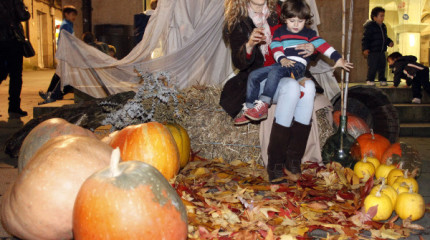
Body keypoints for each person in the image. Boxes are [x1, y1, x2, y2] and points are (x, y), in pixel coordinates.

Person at [220, 0, 321, 183]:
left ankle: (293, 161)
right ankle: (274, 165)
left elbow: (306, 36)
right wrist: (250, 44)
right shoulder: (238, 19)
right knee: (291, 88)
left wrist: (312, 49)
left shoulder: (280, 9)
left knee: (309, 88)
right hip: (259, 79)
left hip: (288, 71)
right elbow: (239, 62)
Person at [234, 0, 352, 125]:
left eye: (300, 21)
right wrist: (281, 58)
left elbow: (324, 46)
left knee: (279, 74)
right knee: (254, 75)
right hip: (281, 64)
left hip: (297, 66)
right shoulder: (280, 32)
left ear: (305, 20)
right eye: (292, 21)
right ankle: (249, 108)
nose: (296, 25)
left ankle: (264, 104)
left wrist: (337, 58)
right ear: (285, 19)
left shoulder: (308, 33)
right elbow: (275, 47)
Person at [39, 5, 77, 104]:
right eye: (72, 14)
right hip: (66, 54)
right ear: (66, 14)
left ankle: (50, 92)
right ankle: (54, 94)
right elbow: (68, 41)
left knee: (59, 74)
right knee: (64, 75)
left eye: (74, 15)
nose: (74, 17)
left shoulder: (67, 24)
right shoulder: (66, 25)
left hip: (64, 53)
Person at [0, 0, 31, 116]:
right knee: (16, 76)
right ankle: (14, 107)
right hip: (12, 40)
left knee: (1, 73)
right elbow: (23, 15)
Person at [362, 6, 393, 86]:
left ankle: (382, 79)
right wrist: (365, 48)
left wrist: (389, 42)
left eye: (383, 16)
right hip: (373, 51)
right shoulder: (370, 27)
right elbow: (366, 38)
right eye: (381, 16)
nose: (383, 18)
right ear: (375, 17)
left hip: (381, 51)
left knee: (382, 66)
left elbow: (384, 37)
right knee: (373, 66)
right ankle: (370, 79)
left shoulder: (383, 26)